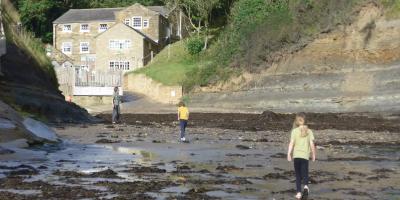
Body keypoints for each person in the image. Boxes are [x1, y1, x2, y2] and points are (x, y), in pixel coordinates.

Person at [287, 113, 316, 199]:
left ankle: (299, 193)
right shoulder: (309, 131)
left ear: (296, 121)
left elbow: (291, 143)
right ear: (305, 121)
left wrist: (289, 154)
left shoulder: (294, 131)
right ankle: (306, 186)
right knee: (305, 173)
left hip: (296, 156)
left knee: (298, 175)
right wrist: (313, 154)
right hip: (305, 156)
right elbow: (312, 144)